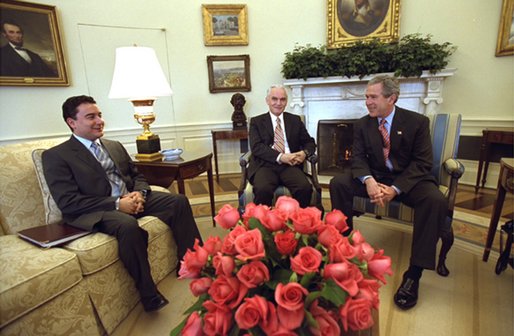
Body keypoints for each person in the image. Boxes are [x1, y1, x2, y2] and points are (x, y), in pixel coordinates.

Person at [42, 95, 202, 312]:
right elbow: (69, 202)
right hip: (96, 210)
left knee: (178, 201)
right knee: (127, 226)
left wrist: (139, 194)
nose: (99, 120)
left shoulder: (114, 145)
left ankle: (193, 262)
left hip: (130, 198)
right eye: (91, 117)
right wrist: (117, 204)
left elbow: (137, 176)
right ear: (72, 122)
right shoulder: (56, 156)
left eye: (99, 115)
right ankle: (149, 294)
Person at [329, 75, 450, 310]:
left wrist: (395, 189)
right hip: (376, 176)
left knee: (435, 200)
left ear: (391, 98)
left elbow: (422, 163)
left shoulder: (417, 122)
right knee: (339, 183)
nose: (368, 102)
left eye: (373, 97)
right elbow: (357, 158)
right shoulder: (363, 124)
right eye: (366, 96)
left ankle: (414, 274)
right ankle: (344, 250)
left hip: (409, 180)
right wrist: (369, 181)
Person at [248, 85, 316, 208]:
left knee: (304, 188)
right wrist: (281, 157)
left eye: (283, 99)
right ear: (267, 100)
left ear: (286, 101)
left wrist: (304, 153)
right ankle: (265, 225)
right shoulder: (256, 122)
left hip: (290, 166)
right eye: (274, 99)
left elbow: (310, 142)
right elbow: (256, 147)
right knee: (263, 189)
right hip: (264, 166)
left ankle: (298, 224)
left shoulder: (295, 120)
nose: (278, 103)